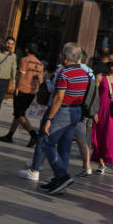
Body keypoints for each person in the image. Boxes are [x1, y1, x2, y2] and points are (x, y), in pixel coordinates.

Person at [38, 43, 89, 195]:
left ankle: (62, 175)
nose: (60, 57)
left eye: (61, 55)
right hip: (77, 111)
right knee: (64, 147)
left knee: (47, 143)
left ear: (66, 58)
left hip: (64, 111)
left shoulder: (64, 73)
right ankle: (58, 179)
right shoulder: (83, 73)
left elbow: (59, 98)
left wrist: (49, 118)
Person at [0, 42, 45, 146]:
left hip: (22, 90)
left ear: (27, 50)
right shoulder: (40, 64)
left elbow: (22, 75)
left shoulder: (24, 60)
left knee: (19, 114)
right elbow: (40, 80)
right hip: (32, 92)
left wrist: (17, 88)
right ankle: (10, 135)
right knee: (19, 113)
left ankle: (33, 135)